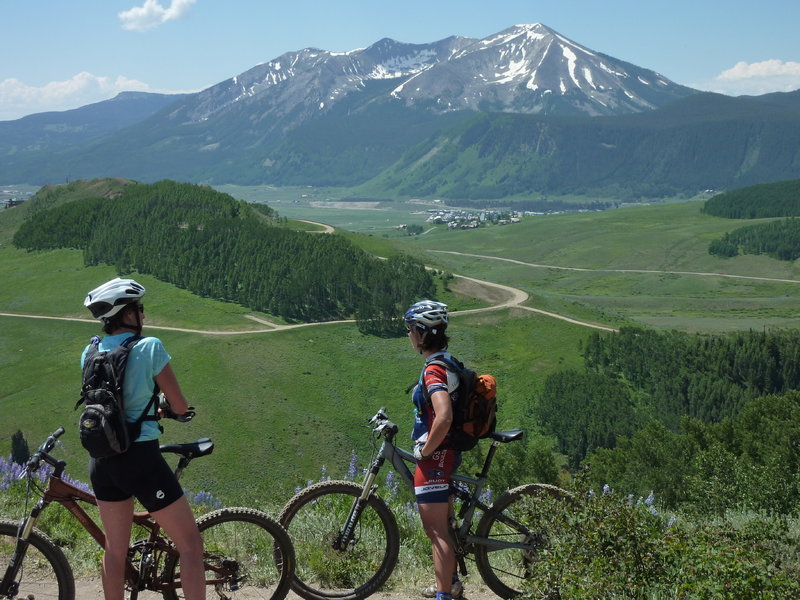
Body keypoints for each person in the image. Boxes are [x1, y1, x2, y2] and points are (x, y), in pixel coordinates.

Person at [82, 277, 205, 600]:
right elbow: (179, 405)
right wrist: (167, 410)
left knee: (115, 551)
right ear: (127, 314)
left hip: (102, 461)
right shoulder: (150, 347)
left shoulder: (90, 351)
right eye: (140, 309)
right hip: (141, 460)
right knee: (191, 545)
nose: (143, 315)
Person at [404, 300, 464, 600]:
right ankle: (450, 584)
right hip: (449, 453)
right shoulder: (448, 360)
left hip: (437, 458)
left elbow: (444, 416)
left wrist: (427, 452)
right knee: (445, 526)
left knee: (436, 532)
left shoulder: (433, 371)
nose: (408, 336)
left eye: (410, 330)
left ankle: (444, 596)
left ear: (422, 333)